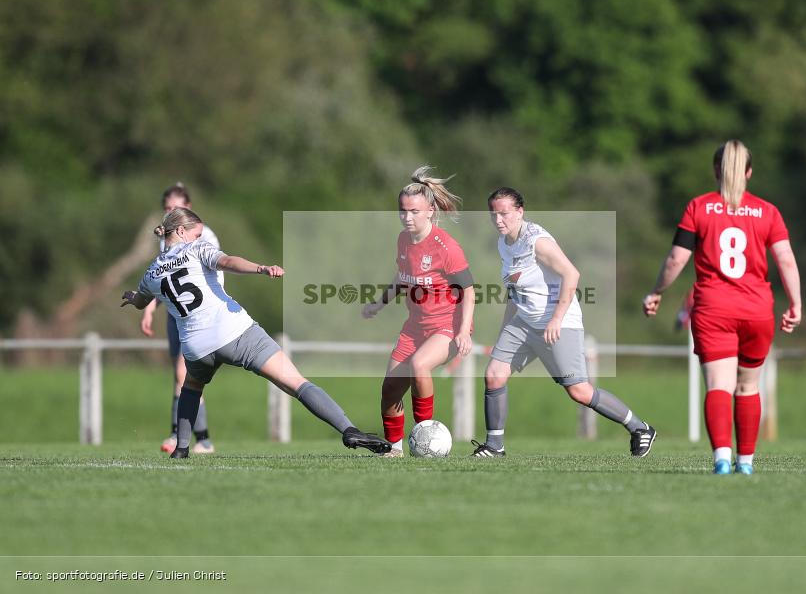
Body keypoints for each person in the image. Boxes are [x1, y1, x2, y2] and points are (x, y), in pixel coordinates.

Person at [122, 208, 391, 458]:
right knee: (295, 382)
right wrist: (260, 268)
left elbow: (141, 301)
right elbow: (227, 261)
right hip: (233, 331)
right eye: (197, 233)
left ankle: (181, 449)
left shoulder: (151, 273)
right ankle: (349, 430)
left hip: (196, 346)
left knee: (191, 388)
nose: (200, 238)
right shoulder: (195, 249)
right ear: (181, 232)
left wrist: (132, 297)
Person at [642, 139, 801, 475]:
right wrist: (796, 303)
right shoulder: (767, 211)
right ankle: (745, 464)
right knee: (748, 386)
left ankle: (722, 461)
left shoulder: (698, 208)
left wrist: (656, 291)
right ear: (749, 172)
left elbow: (676, 259)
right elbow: (785, 259)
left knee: (718, 386)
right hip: (757, 310)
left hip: (714, 309)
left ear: (716, 170)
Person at [472, 187, 656, 458]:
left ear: (520, 212)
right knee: (494, 375)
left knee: (579, 391)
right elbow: (515, 291)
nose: (498, 220)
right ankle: (494, 446)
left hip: (559, 322)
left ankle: (640, 428)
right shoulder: (504, 243)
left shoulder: (537, 241)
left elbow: (572, 274)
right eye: (493, 214)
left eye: (504, 213)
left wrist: (556, 319)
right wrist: (503, 333)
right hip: (524, 321)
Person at [361, 167, 475, 457]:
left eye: (413, 211)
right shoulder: (403, 240)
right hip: (414, 328)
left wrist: (463, 331)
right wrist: (379, 303)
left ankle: (426, 439)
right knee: (389, 391)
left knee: (420, 365)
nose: (407, 217)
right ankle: (394, 449)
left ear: (430, 211)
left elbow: (469, 291)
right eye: (402, 211)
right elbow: (403, 279)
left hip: (446, 327)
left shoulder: (447, 247)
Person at [140, 183, 219, 454]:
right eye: (166, 209)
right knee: (182, 376)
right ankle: (199, 439)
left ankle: (185, 438)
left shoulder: (203, 235)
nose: (169, 213)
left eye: (174, 208)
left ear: (188, 208)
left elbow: (210, 273)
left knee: (185, 374)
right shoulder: (167, 240)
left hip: (198, 315)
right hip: (176, 314)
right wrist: (150, 308)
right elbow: (166, 280)